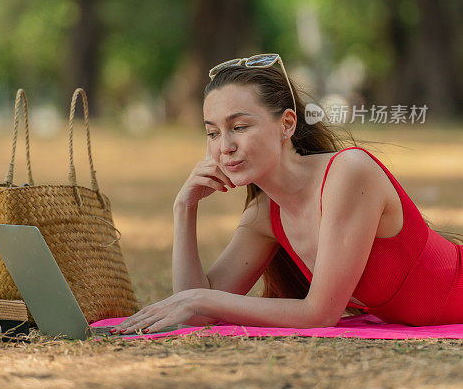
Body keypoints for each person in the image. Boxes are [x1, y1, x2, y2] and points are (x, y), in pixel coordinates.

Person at [109, 53, 463, 335]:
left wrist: (201, 299)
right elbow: (193, 316)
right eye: (213, 133)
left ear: (287, 124)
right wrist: (184, 208)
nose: (225, 147)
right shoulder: (266, 214)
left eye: (240, 127)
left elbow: (319, 313)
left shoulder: (349, 173)